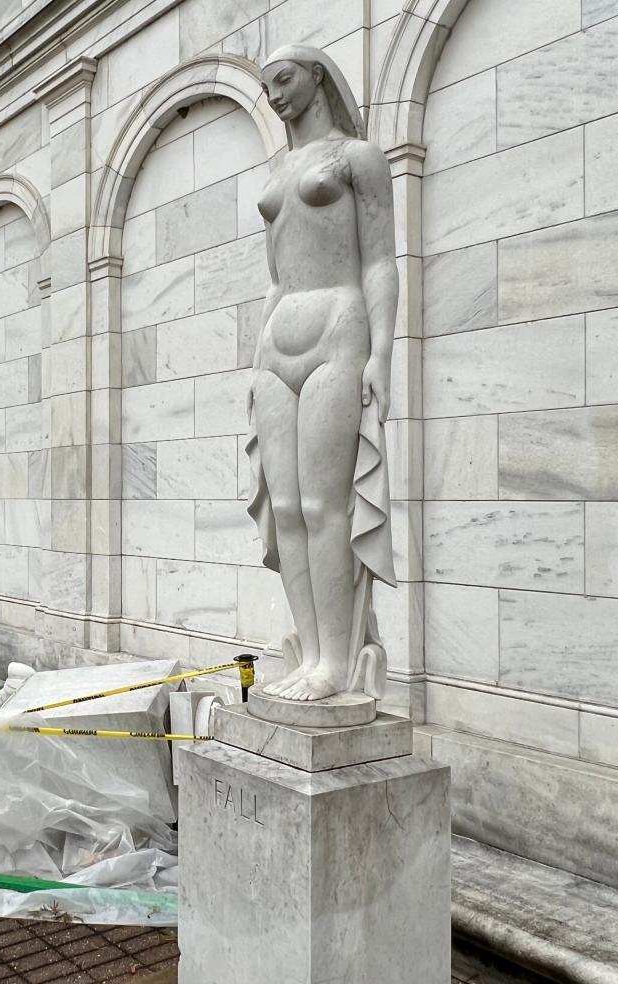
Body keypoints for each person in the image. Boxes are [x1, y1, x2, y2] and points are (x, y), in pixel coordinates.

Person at [247, 44, 397, 703]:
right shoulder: (281, 169)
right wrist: (256, 353)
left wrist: (383, 353)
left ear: (317, 77)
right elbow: (277, 273)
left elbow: (381, 262)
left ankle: (335, 662)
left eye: (284, 79)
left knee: (322, 505)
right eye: (266, 85)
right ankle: (309, 655)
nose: (275, 94)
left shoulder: (356, 158)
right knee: (284, 510)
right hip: (277, 345)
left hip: (338, 328)